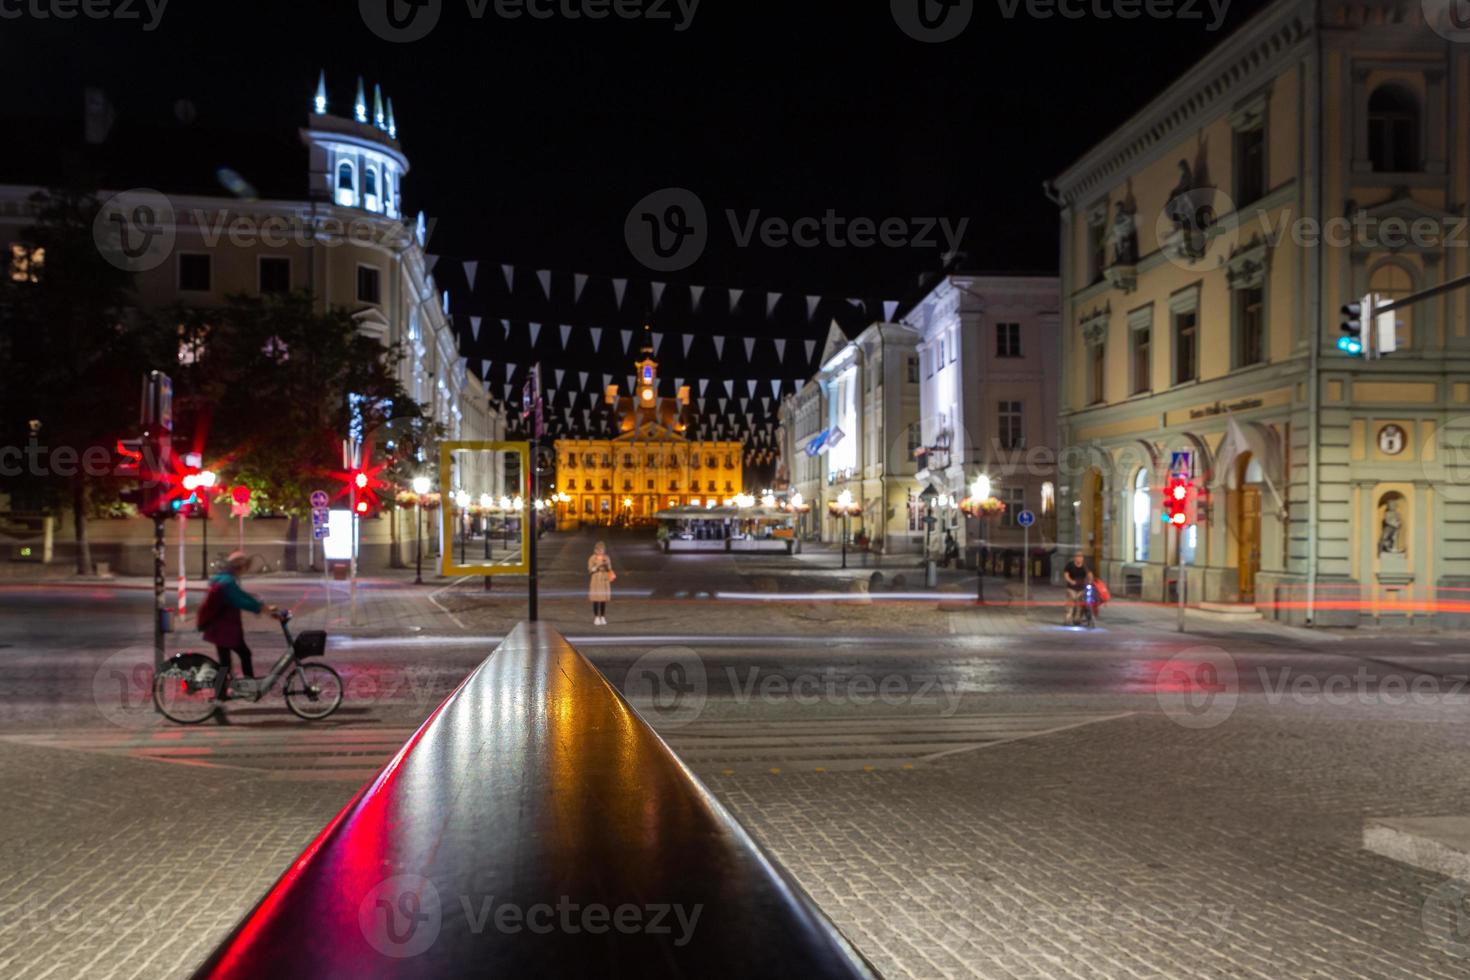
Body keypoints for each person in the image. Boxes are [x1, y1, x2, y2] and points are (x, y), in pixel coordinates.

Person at [199, 552, 277, 700]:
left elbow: (241, 595)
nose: (244, 571)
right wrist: (262, 608)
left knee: (226, 662)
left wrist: (261, 605)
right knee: (243, 655)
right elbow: (240, 600)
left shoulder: (225, 579)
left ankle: (221, 694)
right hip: (224, 630)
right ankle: (247, 688)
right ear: (238, 567)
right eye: (244, 567)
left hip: (221, 628)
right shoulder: (227, 582)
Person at [1062, 553, 1093, 626]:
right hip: (1071, 588)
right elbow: (1066, 575)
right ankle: (1067, 620)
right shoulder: (1070, 565)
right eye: (1078, 557)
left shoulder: (1085, 566)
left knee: (1080, 605)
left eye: (1081, 557)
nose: (1079, 558)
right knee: (1070, 605)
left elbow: (1089, 574)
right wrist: (1070, 581)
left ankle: (1077, 620)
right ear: (1075, 558)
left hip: (1081, 588)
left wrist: (1090, 581)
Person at [588, 541, 613, 626]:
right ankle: (596, 617)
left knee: (603, 599)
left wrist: (606, 565)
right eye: (598, 550)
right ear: (595, 550)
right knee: (596, 599)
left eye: (602, 550)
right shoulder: (592, 558)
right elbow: (590, 570)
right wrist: (597, 566)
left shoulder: (606, 558)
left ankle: (602, 616)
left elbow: (610, 569)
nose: (600, 552)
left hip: (604, 579)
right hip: (595, 579)